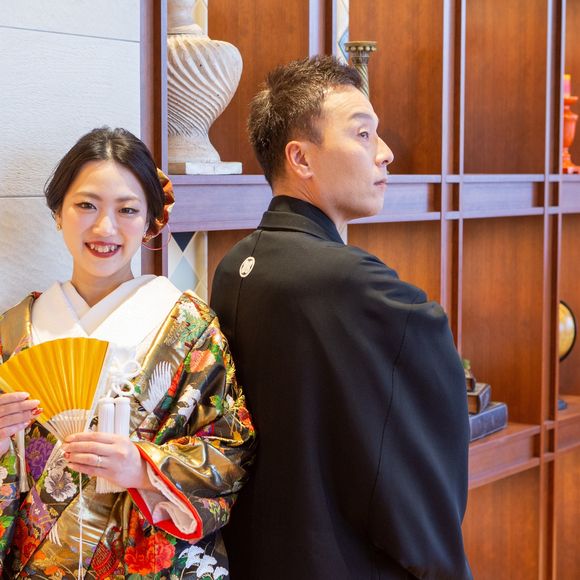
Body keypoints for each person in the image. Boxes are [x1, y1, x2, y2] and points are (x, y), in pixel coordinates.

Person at [210, 56, 472, 579]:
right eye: (363, 134)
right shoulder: (356, 284)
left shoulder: (234, 265)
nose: (386, 152)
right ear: (300, 158)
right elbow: (417, 460)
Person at [0, 127, 255, 579]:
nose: (105, 228)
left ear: (152, 220)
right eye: (86, 205)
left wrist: (143, 468)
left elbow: (230, 449)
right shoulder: (14, 331)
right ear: (57, 212)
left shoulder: (189, 327)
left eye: (127, 210)